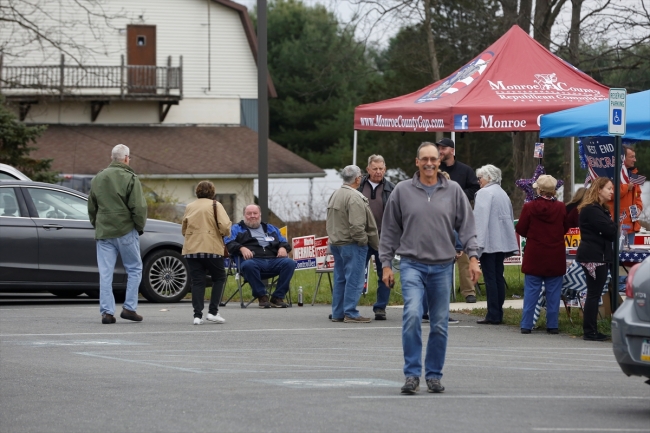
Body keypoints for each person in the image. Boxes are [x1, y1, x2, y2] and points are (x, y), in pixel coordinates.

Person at [380, 142, 481, 395]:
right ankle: (412, 374)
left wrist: (473, 257)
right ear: (417, 162)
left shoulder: (454, 190)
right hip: (412, 264)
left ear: (439, 161)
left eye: (433, 159)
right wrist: (385, 264)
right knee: (412, 315)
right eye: (424, 159)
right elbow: (390, 230)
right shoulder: (402, 191)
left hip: (442, 267)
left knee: (438, 324)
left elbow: (467, 227)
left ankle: (434, 375)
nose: (429, 163)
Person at [88, 144, 147, 325]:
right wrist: (138, 227)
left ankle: (107, 312)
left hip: (104, 231)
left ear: (112, 157)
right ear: (127, 158)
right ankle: (129, 308)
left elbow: (92, 207)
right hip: (125, 230)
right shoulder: (130, 178)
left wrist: (98, 225)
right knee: (134, 269)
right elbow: (139, 207)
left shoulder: (98, 178)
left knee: (106, 273)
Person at [515, 175, 569, 334]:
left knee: (531, 291)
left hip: (535, 253)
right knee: (554, 292)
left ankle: (526, 324)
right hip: (555, 253)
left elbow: (521, 229)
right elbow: (564, 227)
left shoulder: (529, 207)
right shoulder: (560, 207)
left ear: (538, 189)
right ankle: (552, 325)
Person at [327, 165, 379, 323]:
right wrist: (363, 241)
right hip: (352, 243)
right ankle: (350, 312)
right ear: (358, 179)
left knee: (341, 279)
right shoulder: (354, 197)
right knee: (354, 279)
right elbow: (357, 226)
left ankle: (338, 312)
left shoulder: (336, 194)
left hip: (337, 243)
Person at [473, 165, 519, 325]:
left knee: (490, 278)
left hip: (489, 242)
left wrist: (477, 243)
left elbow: (479, 220)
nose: (478, 181)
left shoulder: (484, 193)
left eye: (480, 178)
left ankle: (493, 314)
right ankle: (498, 311)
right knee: (499, 276)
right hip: (502, 242)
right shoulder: (502, 193)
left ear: (489, 178)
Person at [225, 204, 295, 308]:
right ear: (244, 215)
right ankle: (262, 296)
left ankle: (277, 297)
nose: (252, 216)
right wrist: (241, 248)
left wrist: (283, 248)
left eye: (255, 213)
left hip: (273, 260)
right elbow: (229, 243)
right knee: (249, 265)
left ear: (260, 214)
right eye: (249, 213)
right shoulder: (236, 228)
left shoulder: (271, 228)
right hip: (251, 261)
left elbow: (284, 242)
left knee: (290, 263)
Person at [181, 181, 231, 325]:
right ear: (212, 192)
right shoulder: (216, 205)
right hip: (211, 247)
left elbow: (184, 229)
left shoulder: (189, 206)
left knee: (197, 281)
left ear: (197, 192)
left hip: (192, 249)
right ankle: (213, 312)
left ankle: (197, 316)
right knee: (219, 278)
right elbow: (225, 227)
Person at [437, 137, 480, 303]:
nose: (441, 151)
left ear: (452, 151)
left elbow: (475, 188)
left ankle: (468, 291)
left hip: (459, 218)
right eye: (439, 148)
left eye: (444, 148)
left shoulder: (465, 170)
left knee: (463, 257)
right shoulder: (434, 169)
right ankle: (441, 294)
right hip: (440, 221)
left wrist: (458, 196)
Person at [577, 177, 617, 341]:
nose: (611, 191)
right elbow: (610, 231)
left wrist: (612, 226)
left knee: (595, 292)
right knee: (594, 294)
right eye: (609, 188)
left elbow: (610, 230)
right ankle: (590, 331)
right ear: (599, 190)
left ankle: (591, 329)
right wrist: (614, 226)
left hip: (599, 254)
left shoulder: (601, 209)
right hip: (595, 256)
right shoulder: (592, 209)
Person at [357, 154, 395, 321]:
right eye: (375, 169)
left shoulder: (391, 188)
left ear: (385, 169)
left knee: (384, 273)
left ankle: (380, 308)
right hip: (362, 238)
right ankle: (348, 307)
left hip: (383, 238)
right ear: (368, 169)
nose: (378, 172)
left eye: (381, 169)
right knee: (356, 274)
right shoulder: (358, 186)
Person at [608, 146, 643, 247]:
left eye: (634, 157)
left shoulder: (633, 174)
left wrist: (639, 207)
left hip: (631, 224)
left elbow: (638, 195)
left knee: (628, 258)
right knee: (614, 258)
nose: (635, 160)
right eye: (632, 157)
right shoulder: (611, 174)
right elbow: (610, 195)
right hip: (616, 225)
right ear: (622, 158)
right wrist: (626, 187)